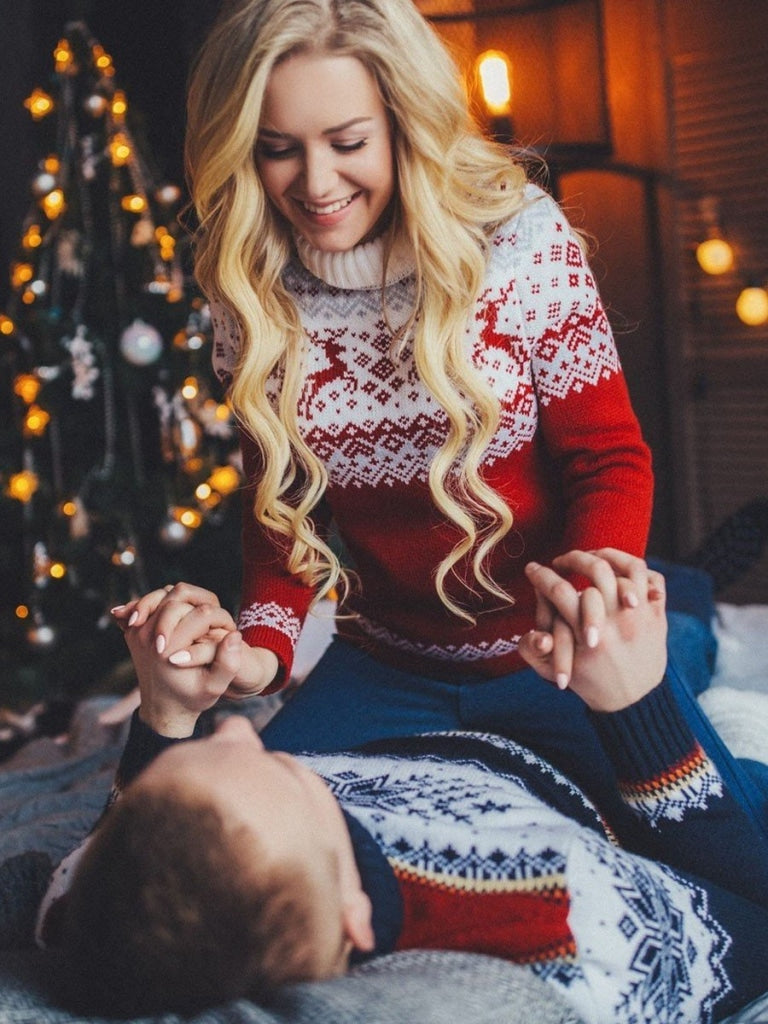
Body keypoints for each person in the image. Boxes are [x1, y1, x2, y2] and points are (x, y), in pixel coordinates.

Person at [114, 0, 662, 831]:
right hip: (386, 666)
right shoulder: (249, 293)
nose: (317, 184)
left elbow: (608, 459)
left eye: (347, 142)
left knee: (698, 830)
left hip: (551, 662)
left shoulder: (522, 245)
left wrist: (596, 593)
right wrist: (258, 659)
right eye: (277, 151)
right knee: (225, 837)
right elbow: (281, 521)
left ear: (407, 125)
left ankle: (683, 616)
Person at [46, 551, 768, 1022]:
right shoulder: (555, 916)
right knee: (647, 636)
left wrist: (168, 717)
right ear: (354, 916)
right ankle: (693, 597)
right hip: (553, 761)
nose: (238, 730)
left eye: (214, 746)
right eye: (281, 770)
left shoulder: (106, 914)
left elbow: (83, 879)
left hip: (401, 716)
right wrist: (638, 705)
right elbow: (746, 911)